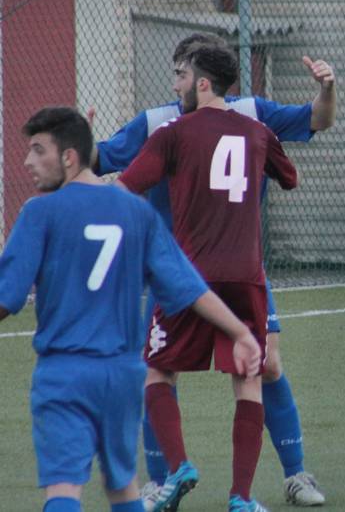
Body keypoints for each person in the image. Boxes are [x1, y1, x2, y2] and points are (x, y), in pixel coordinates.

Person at [94, 32, 332, 507]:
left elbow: (317, 119)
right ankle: (171, 482)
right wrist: (81, 142)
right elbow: (102, 155)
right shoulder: (159, 123)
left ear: (201, 81)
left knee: (258, 365)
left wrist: (326, 89)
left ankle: (294, 474)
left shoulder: (250, 113)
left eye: (181, 72)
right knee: (171, 369)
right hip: (182, 268)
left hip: (215, 266)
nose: (175, 83)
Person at [0, 107, 262, 512]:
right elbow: (189, 287)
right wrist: (241, 333)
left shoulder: (40, 212)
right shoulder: (137, 212)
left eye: (37, 150)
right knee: (123, 489)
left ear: (69, 157)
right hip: (122, 377)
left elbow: (6, 297)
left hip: (64, 373)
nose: (27, 161)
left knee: (65, 488)